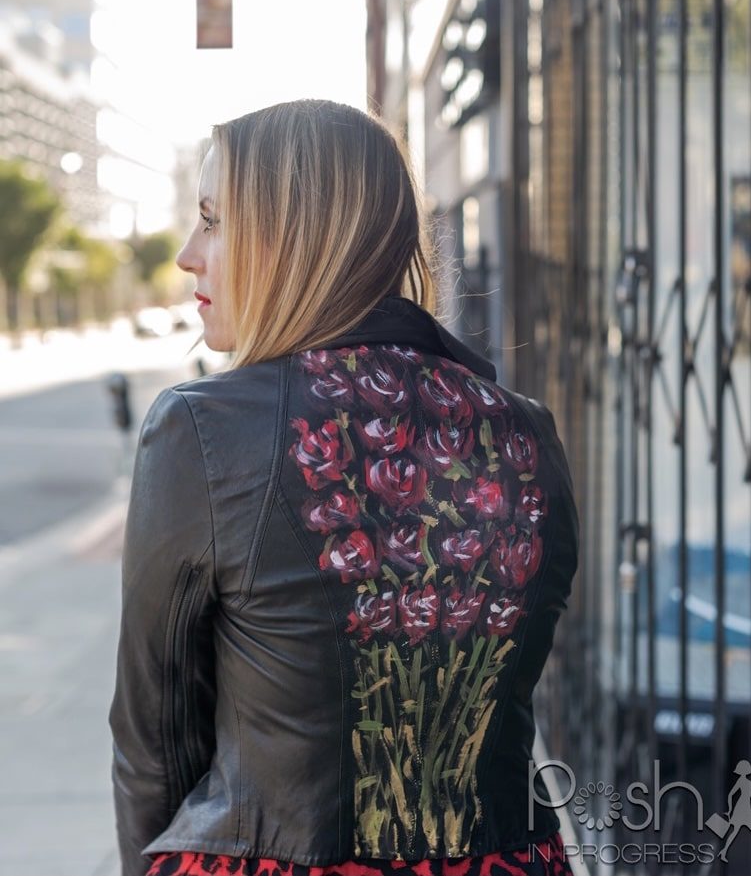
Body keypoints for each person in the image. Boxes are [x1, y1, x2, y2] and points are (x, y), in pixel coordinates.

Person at [109, 99, 579, 876]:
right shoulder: (527, 430)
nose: (190, 253)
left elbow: (155, 744)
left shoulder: (201, 429)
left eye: (212, 220)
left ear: (290, 235)